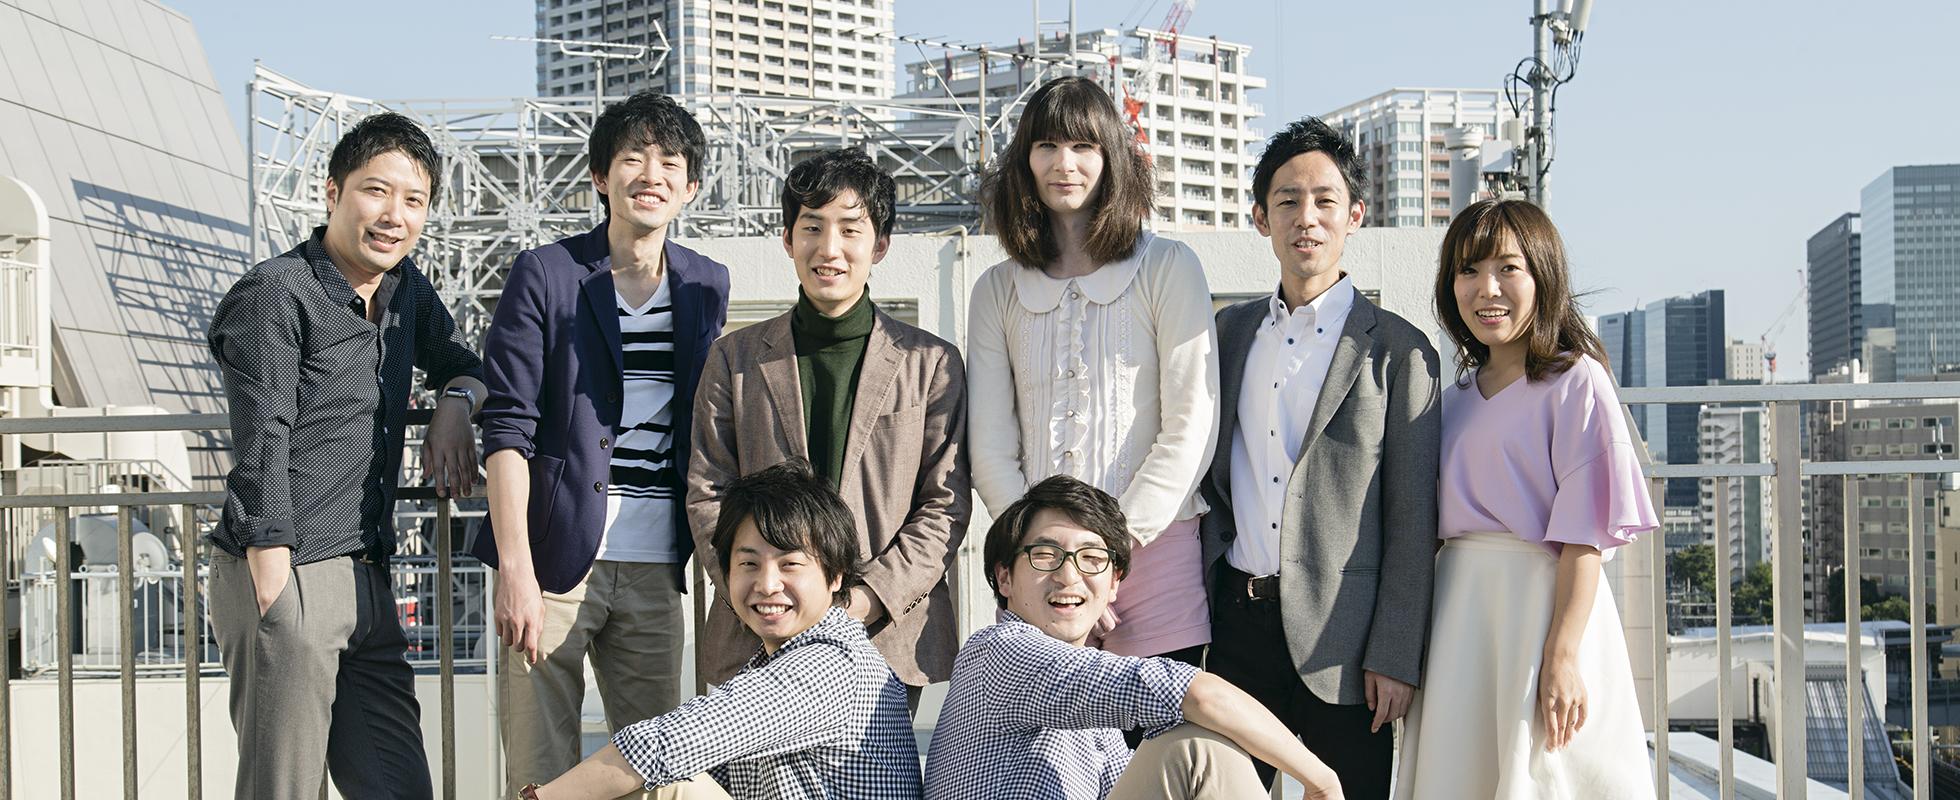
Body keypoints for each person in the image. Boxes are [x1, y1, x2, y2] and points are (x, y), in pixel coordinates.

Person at [205, 112, 484, 800]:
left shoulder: (405, 290)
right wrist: (274, 584)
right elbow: (261, 435)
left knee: (398, 785)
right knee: (283, 788)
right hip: (289, 565)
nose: (395, 216)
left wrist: (455, 403)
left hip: (370, 578)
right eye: (375, 191)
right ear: (333, 193)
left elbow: (462, 362)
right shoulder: (276, 291)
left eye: (414, 200)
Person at [474, 91, 731, 793]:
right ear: (600, 176)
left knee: (654, 771)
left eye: (670, 162)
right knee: (541, 772)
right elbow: (508, 427)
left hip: (656, 564)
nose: (651, 174)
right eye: (632, 158)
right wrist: (515, 568)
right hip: (552, 562)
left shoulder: (706, 284)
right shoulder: (546, 273)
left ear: (690, 187)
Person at [1196, 117, 1441, 799]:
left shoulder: (1399, 350)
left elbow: (1413, 517)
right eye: (1287, 200)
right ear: (1261, 218)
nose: (1307, 217)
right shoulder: (1228, 333)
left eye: (1325, 200)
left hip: (1348, 644)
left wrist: (1396, 653)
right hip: (1238, 630)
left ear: (1354, 215)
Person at [1392, 199, 1658, 800]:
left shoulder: (1576, 380)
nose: (1487, 289)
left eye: (1508, 268)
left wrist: (1562, 654)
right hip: (1459, 614)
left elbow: (1585, 539)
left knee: (1544, 774)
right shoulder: (1452, 396)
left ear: (1543, 275)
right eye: (1468, 270)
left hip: (1543, 611)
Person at [688, 147, 968, 706]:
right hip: (758, 634)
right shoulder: (733, 358)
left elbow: (945, 504)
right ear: (788, 240)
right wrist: (764, 597)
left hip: (880, 635)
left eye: (850, 229)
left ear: (880, 245)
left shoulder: (930, 362)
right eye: (812, 227)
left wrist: (862, 601)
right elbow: (707, 492)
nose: (829, 248)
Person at [967, 75, 1218, 664]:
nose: (1065, 164)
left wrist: (1106, 556)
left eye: (1084, 146)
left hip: (1155, 551)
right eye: (1047, 146)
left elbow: (1192, 425)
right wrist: (1050, 560)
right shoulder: (996, 289)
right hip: (1037, 568)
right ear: (1024, 160)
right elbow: (991, 445)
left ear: (1113, 159)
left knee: (1154, 721)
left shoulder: (1168, 266)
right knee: (1039, 724)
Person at [922, 475, 1343, 800]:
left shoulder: (1093, 704)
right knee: (1195, 748)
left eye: (1091, 558)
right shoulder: (998, 652)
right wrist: (1320, 779)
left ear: (1114, 584)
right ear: (1004, 578)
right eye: (1045, 555)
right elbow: (1197, 695)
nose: (1068, 576)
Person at [521, 460, 923, 799]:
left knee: (664, 787)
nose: (767, 584)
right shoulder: (774, 661)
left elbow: (665, 744)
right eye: (749, 564)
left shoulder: (829, 664)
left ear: (835, 576)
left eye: (790, 564)